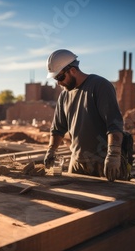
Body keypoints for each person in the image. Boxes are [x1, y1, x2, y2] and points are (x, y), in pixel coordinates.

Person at [43, 49, 124, 181]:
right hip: (76, 163)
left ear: (73, 70)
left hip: (102, 164)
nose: (58, 83)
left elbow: (114, 124)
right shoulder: (64, 95)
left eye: (60, 77)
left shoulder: (100, 86)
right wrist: (51, 150)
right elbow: (58, 128)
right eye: (55, 78)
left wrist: (114, 154)